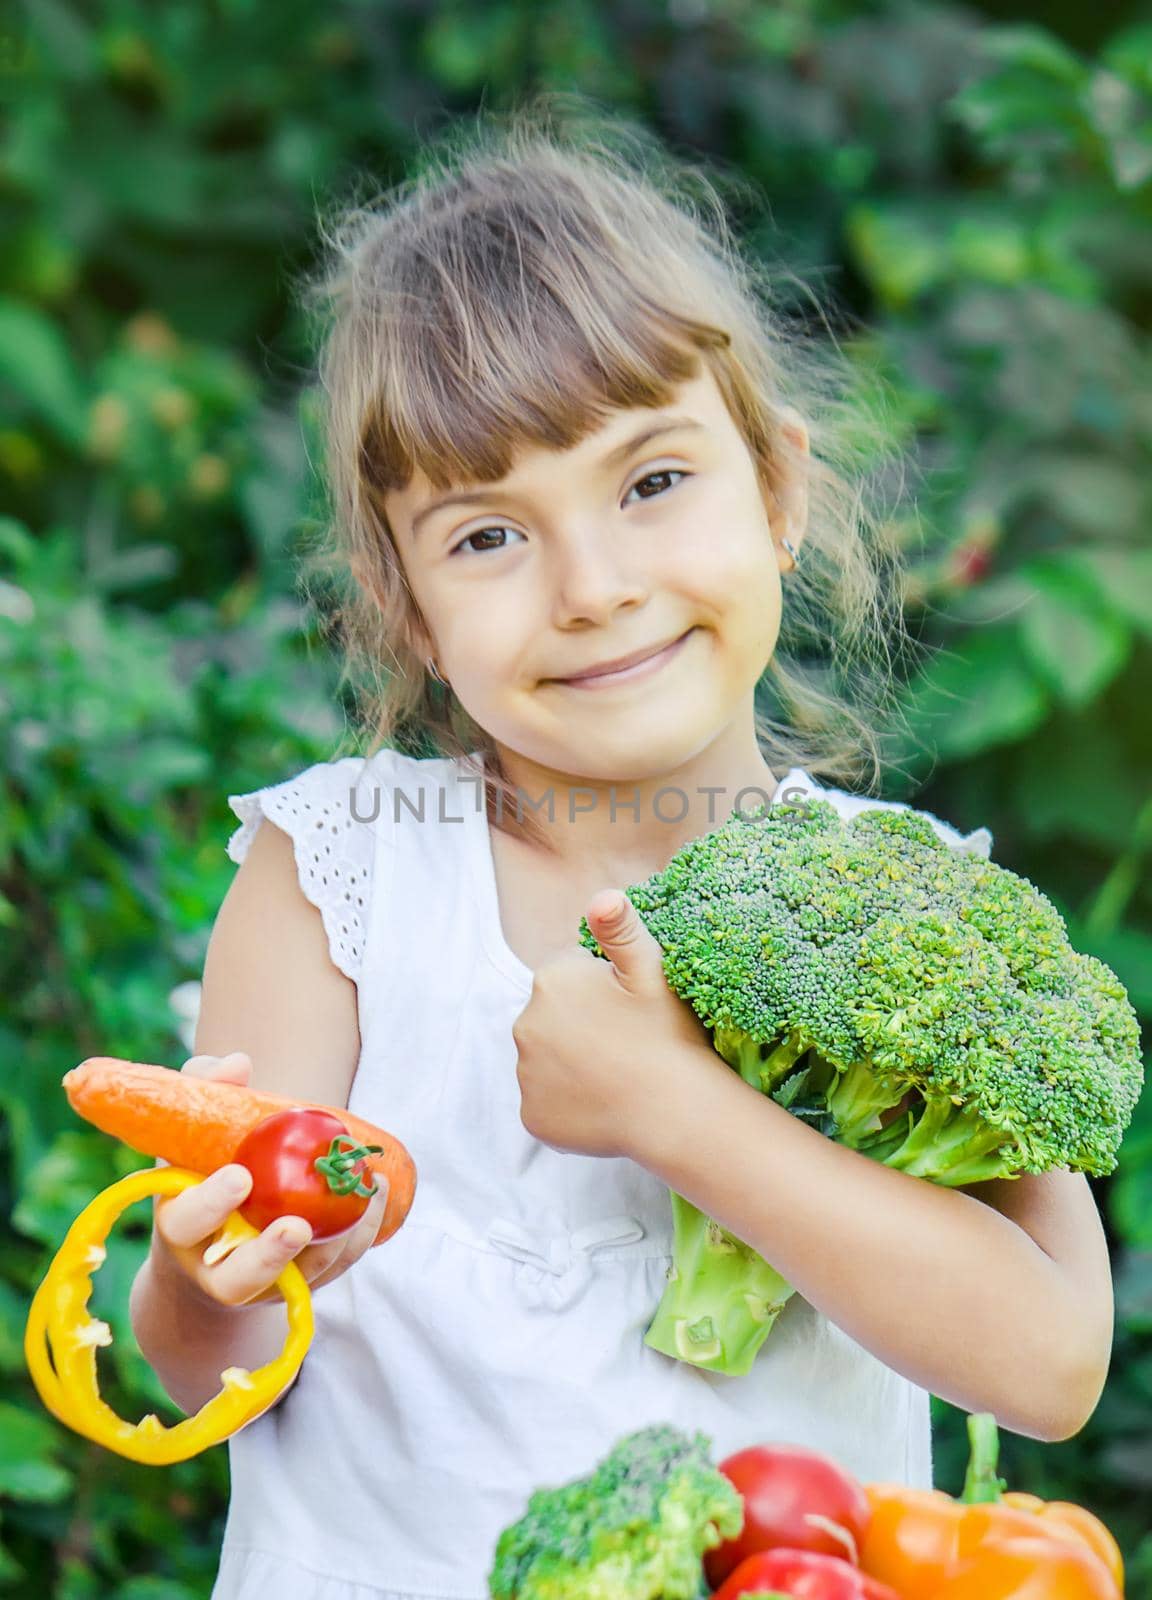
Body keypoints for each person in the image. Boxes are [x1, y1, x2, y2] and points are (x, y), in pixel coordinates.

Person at [128, 94, 1115, 1600]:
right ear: (405, 606)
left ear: (779, 490)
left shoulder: (919, 910)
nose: (589, 586)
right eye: (485, 535)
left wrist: (672, 1107)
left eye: (653, 483)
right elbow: (213, 1372)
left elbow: (1048, 1367)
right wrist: (204, 1292)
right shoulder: (337, 880)